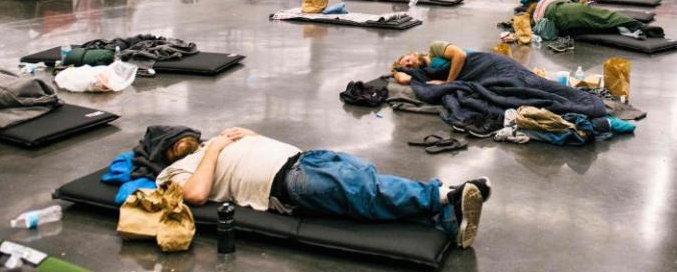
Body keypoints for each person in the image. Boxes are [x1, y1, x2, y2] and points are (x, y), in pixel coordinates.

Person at [156, 127, 491, 249]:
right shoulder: (175, 171)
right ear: (166, 153)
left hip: (305, 158)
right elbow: (197, 195)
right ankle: (445, 193)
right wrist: (214, 149)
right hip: (285, 185)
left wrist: (250, 135)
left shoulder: (211, 141)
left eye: (185, 136)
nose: (183, 142)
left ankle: (447, 219)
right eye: (174, 143)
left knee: (368, 181)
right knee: (364, 192)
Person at [394, 41, 468, 84]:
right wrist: (395, 71)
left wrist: (448, 83)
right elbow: (403, 79)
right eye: (408, 67)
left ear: (414, 54)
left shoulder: (434, 48)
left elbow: (460, 55)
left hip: (474, 62)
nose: (410, 63)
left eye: (408, 60)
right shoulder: (425, 74)